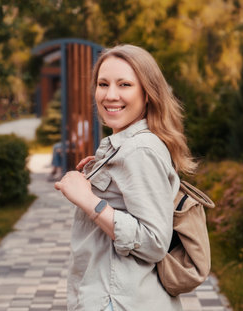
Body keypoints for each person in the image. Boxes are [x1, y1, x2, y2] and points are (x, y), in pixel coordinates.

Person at [54, 44, 197, 311]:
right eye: (103, 84)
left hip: (120, 300)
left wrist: (89, 200)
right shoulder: (125, 146)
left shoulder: (140, 150)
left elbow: (155, 242)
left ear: (147, 93)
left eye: (125, 85)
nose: (110, 95)